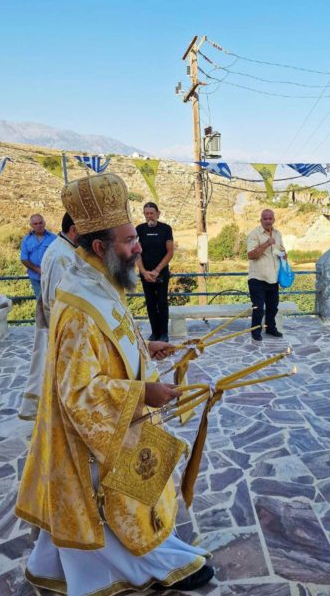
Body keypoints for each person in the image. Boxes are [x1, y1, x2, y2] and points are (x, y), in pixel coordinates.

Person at [15, 173, 214, 595]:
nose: (138, 246)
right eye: (129, 240)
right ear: (100, 247)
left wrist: (145, 347)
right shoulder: (78, 305)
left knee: (101, 508)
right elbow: (77, 391)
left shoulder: (100, 281)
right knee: (106, 508)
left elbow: (114, 335)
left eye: (136, 237)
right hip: (90, 441)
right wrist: (142, 392)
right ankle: (155, 565)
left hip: (120, 424)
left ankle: (74, 564)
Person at [19, 212, 79, 421]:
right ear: (75, 229)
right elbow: (57, 301)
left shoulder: (64, 247)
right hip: (63, 329)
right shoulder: (60, 256)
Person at [136, 202, 174, 341]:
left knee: (162, 303)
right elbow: (136, 253)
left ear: (158, 214)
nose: (149, 216)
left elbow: (170, 252)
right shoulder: (139, 229)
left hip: (161, 273)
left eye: (152, 213)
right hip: (145, 273)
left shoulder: (166, 229)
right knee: (150, 303)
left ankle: (164, 333)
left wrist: (157, 270)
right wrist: (144, 272)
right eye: (146, 213)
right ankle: (154, 333)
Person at [247, 209, 286, 342]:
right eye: (265, 218)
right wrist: (267, 244)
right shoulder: (254, 234)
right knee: (258, 308)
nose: (268, 221)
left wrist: (284, 254)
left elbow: (282, 249)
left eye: (270, 218)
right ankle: (255, 332)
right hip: (257, 278)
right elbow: (251, 255)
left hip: (273, 278)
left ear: (274, 219)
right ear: (261, 220)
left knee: (273, 308)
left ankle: (270, 328)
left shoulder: (278, 234)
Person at [20, 214, 57, 297]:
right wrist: (37, 270)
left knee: (53, 300)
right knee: (40, 300)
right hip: (35, 277)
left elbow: (59, 256)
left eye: (40, 223)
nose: (39, 225)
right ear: (31, 225)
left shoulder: (54, 238)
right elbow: (24, 259)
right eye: (35, 224)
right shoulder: (26, 240)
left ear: (44, 223)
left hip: (51, 277)